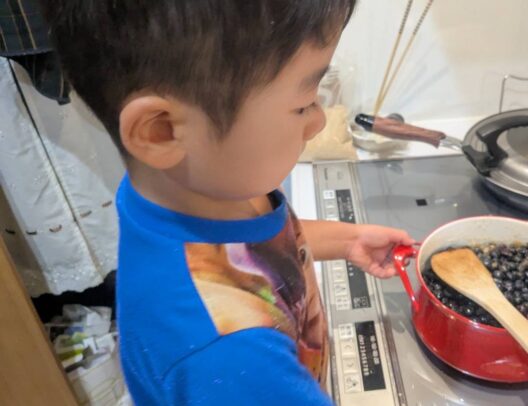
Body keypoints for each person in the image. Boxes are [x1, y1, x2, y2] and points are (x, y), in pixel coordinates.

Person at [38, 1, 415, 404]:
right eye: (304, 103)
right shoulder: (230, 356)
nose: (318, 121)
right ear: (161, 131)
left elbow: (255, 251)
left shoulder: (199, 188)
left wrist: (348, 241)